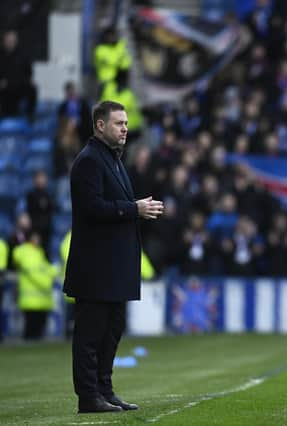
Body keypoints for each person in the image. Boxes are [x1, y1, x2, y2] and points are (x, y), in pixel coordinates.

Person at [63, 100, 164, 414]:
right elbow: (92, 208)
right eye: (119, 123)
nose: (125, 128)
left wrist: (134, 208)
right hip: (96, 267)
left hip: (114, 267)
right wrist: (134, 209)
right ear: (100, 125)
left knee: (111, 332)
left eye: (126, 123)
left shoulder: (112, 159)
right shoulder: (89, 161)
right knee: (90, 335)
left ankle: (105, 391)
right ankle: (88, 396)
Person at [12, 230, 58, 340]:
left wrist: (56, 272)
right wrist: (47, 282)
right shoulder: (25, 252)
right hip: (32, 300)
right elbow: (34, 272)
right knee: (31, 331)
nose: (38, 240)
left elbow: (46, 269)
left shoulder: (38, 252)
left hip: (42, 300)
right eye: (35, 237)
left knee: (38, 332)